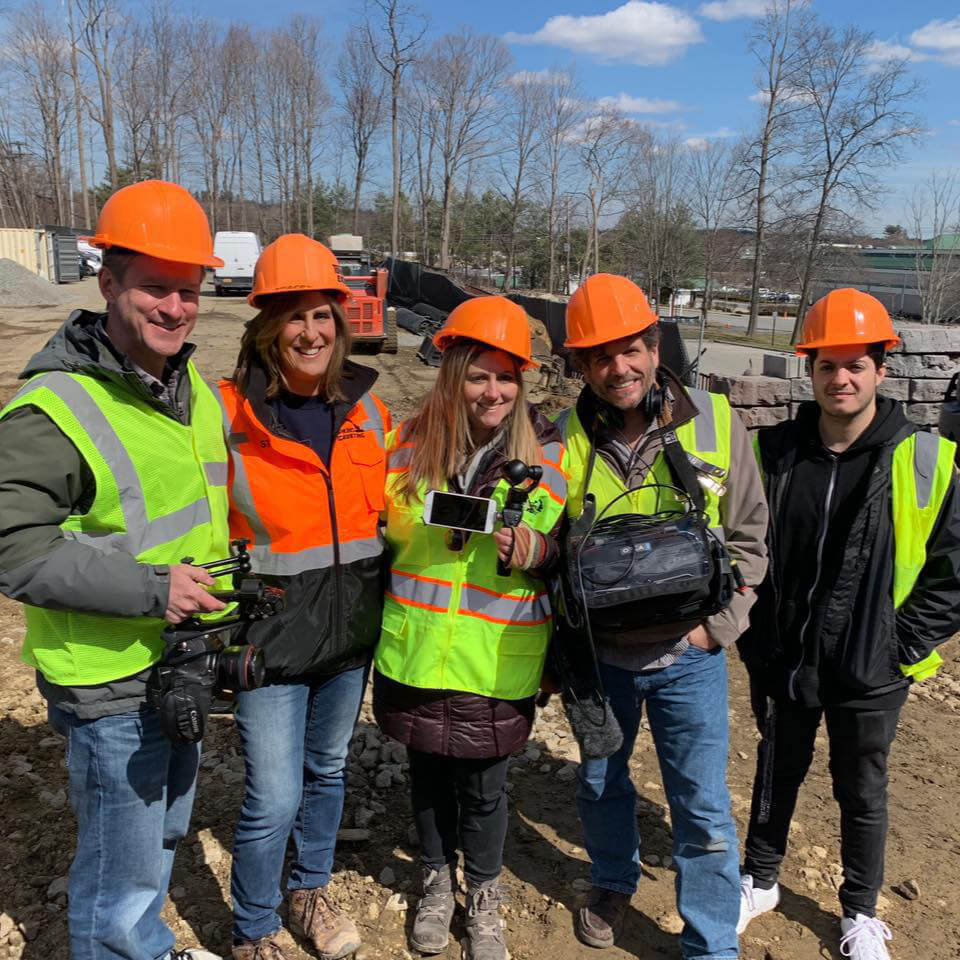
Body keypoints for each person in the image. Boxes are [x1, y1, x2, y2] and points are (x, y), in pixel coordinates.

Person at [0, 180, 230, 960]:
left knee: (160, 830)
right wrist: (154, 591)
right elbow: (14, 547)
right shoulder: (54, 406)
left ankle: (145, 943)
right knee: (118, 869)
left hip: (175, 662)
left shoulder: (185, 385)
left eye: (189, 291)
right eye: (156, 288)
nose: (176, 308)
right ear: (108, 282)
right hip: (107, 676)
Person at [736, 288, 960, 960]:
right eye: (828, 365)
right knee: (777, 768)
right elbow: (742, 546)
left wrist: (902, 645)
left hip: (872, 667)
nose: (841, 379)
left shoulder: (925, 462)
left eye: (855, 365)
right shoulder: (773, 453)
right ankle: (762, 879)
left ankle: (860, 912)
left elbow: (953, 572)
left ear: (881, 368)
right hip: (784, 656)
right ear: (810, 369)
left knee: (862, 786)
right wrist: (755, 634)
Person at [554, 274, 769, 959]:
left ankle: (710, 942)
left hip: (689, 658)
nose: (619, 369)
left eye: (631, 349)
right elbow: (552, 550)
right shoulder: (562, 438)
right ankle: (614, 877)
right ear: (582, 366)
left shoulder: (715, 420)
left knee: (702, 806)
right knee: (599, 781)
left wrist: (718, 627)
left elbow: (751, 539)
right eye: (600, 357)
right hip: (601, 659)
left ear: (654, 344)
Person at [372, 297, 567, 960]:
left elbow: (569, 552)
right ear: (452, 371)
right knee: (427, 782)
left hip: (496, 658)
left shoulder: (549, 453)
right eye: (479, 375)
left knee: (485, 793)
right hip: (420, 650)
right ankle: (435, 884)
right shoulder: (406, 442)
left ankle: (483, 903)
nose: (493, 391)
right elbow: (386, 537)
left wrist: (534, 550)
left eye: (507, 377)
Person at [216, 234, 390, 960]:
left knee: (327, 772)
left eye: (322, 315)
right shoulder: (227, 416)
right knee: (274, 796)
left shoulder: (370, 414)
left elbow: (398, 507)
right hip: (272, 643)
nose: (311, 332)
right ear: (266, 329)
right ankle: (254, 927)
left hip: (348, 637)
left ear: (340, 323)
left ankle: (309, 888)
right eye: (293, 317)